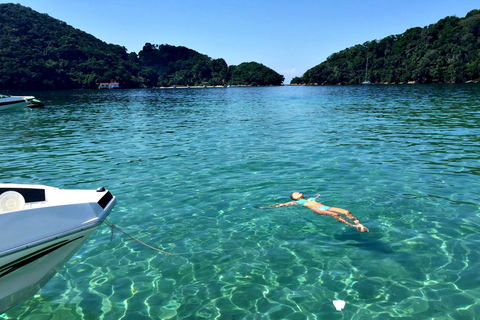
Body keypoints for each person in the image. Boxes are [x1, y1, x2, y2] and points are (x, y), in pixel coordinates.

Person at [262, 192, 369, 232]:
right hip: (317, 210)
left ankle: (358, 223)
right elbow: (282, 205)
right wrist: (266, 207)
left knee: (346, 211)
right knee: (334, 214)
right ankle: (352, 226)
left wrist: (317, 195)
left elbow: (316, 196)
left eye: (298, 192)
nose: (297, 192)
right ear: (294, 198)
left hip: (327, 207)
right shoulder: (297, 202)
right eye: (295, 194)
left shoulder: (310, 198)